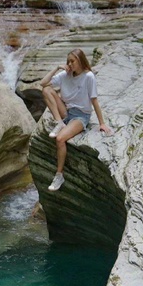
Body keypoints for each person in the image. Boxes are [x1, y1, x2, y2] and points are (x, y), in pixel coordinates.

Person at [40, 48, 112, 192]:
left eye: (72, 61)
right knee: (46, 90)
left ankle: (59, 175)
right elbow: (43, 83)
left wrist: (102, 123)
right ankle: (59, 122)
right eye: (68, 62)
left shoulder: (89, 76)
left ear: (80, 60)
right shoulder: (65, 75)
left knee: (60, 139)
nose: (70, 64)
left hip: (80, 116)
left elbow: (94, 101)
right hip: (66, 112)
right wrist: (57, 68)